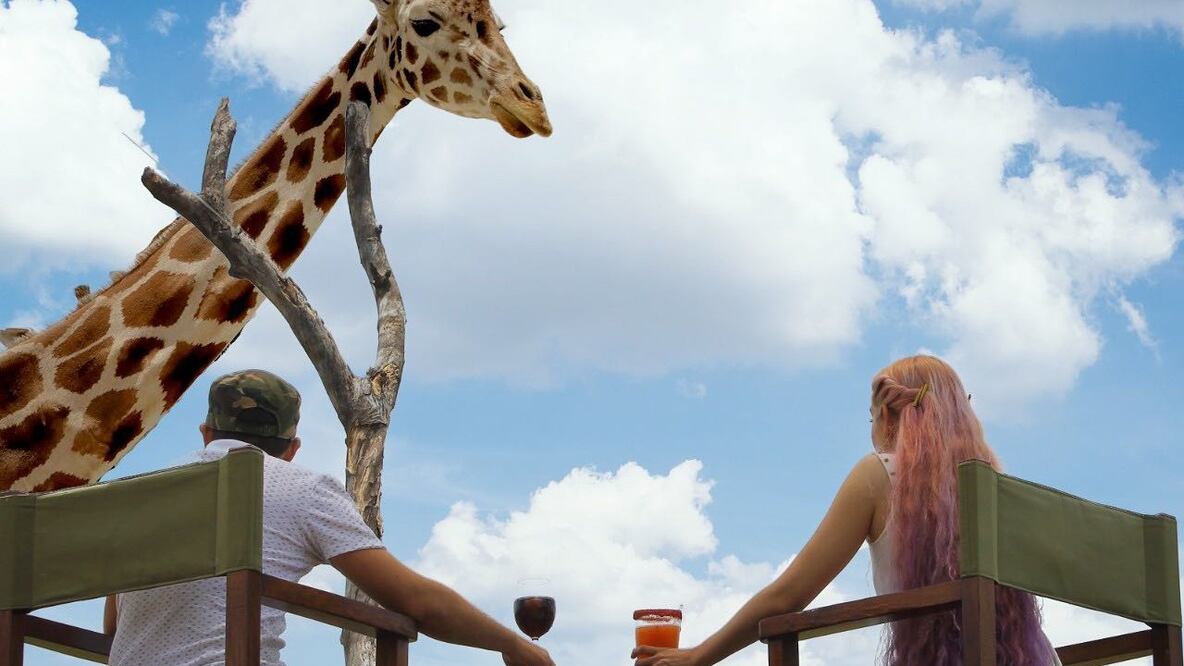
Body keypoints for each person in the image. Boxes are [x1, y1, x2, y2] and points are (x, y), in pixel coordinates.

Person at [104, 369, 553, 666]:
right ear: (291, 449)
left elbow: (114, 628)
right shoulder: (297, 487)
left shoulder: (140, 496)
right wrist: (509, 644)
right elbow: (416, 602)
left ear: (206, 434)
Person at [632, 355, 1061, 666]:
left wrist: (698, 657)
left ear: (889, 419)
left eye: (871, 419)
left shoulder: (881, 474)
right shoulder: (997, 492)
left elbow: (788, 597)